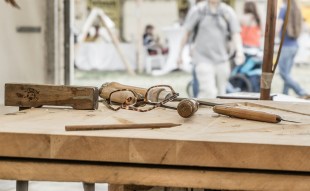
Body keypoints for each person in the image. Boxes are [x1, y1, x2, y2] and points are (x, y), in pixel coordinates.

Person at [178, 0, 244, 98]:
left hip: (222, 60)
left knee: (222, 95)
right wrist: (179, 54)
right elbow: (186, 33)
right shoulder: (198, 10)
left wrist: (240, 51)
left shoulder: (227, 11)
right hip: (202, 59)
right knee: (208, 93)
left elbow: (235, 33)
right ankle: (204, 113)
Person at [277, 0, 309, 98]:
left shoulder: (284, 9)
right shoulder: (297, 9)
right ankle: (284, 95)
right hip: (294, 45)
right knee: (287, 74)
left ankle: (301, 91)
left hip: (286, 46)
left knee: (283, 73)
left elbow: (278, 27)